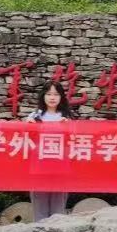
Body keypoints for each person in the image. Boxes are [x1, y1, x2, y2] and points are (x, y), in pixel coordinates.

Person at [27, 80, 77, 221]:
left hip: (60, 168)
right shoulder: (34, 116)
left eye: (56, 94)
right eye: (49, 94)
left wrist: (69, 128)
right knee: (39, 209)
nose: (52, 97)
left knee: (58, 210)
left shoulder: (66, 117)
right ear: (43, 96)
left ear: (61, 97)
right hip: (39, 168)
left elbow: (75, 141)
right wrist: (29, 128)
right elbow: (26, 141)